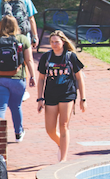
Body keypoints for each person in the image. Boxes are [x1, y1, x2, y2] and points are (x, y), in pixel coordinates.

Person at [36, 30, 86, 162]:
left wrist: (83, 98)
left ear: (63, 42)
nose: (54, 44)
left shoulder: (70, 57)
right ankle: (62, 144)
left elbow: (80, 78)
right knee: (50, 129)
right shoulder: (46, 57)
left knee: (63, 125)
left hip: (67, 94)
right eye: (52, 42)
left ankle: (63, 159)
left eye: (56, 42)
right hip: (50, 95)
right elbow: (41, 79)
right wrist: (40, 98)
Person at [0, 15, 36, 142]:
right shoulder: (22, 39)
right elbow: (29, 60)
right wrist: (32, 76)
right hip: (17, 79)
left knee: (0, 108)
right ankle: (18, 133)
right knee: (16, 106)